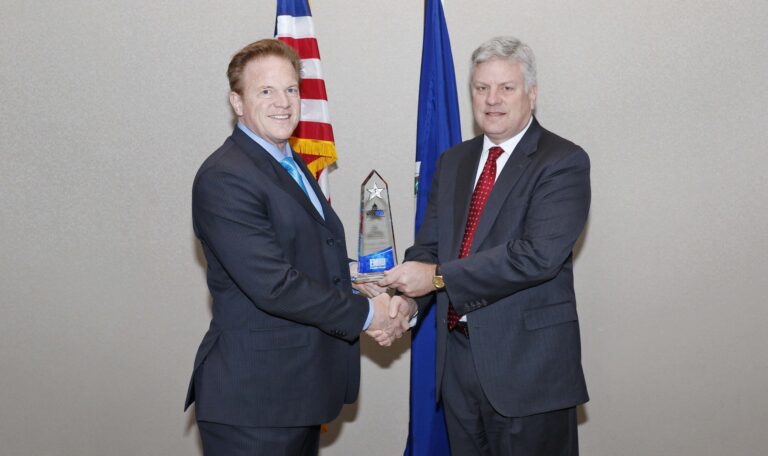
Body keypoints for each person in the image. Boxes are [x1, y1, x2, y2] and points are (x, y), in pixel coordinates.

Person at [184, 39, 411, 456]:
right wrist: (369, 314)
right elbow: (274, 285)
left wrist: (361, 276)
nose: (283, 102)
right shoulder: (225, 177)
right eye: (265, 91)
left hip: (296, 393)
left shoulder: (287, 161)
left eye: (290, 89)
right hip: (254, 403)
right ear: (237, 102)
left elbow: (302, 250)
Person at [379, 36, 591, 455]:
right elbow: (430, 247)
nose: (492, 100)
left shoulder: (562, 161)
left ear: (531, 94)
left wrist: (436, 278)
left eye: (506, 88)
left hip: (528, 370)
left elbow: (536, 256)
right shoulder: (453, 161)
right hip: (457, 365)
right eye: (481, 88)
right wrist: (407, 303)